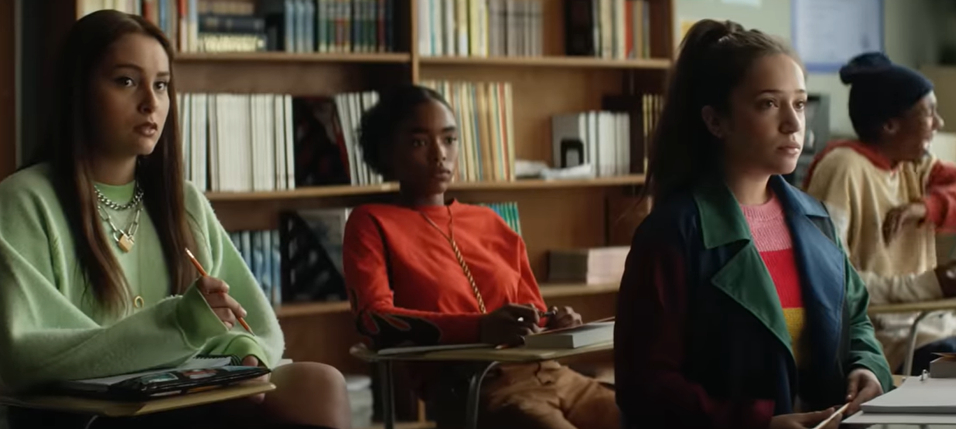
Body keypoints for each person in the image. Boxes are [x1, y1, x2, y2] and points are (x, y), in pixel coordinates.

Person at [0, 10, 350, 429]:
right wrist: (180, 324)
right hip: (94, 411)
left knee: (320, 384)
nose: (151, 102)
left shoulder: (183, 200)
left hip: (188, 393)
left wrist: (245, 352)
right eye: (126, 81)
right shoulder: (23, 201)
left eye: (162, 84)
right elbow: (25, 353)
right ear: (78, 92)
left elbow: (249, 322)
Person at [614, 20, 893, 429]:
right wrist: (756, 424)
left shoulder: (815, 219)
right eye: (768, 104)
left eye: (798, 104)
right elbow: (645, 386)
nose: (794, 124)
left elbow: (857, 323)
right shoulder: (672, 234)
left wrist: (867, 368)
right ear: (715, 121)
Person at [342, 84, 618, 429]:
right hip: (476, 389)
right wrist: (480, 327)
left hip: (554, 375)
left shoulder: (490, 221)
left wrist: (557, 322)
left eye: (449, 139)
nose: (439, 154)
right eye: (419, 142)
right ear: (385, 152)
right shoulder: (371, 222)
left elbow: (534, 315)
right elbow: (373, 320)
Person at [804, 52, 956, 376]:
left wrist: (927, 207)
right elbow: (835, 284)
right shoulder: (842, 169)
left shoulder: (915, 166)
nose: (939, 124)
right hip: (883, 344)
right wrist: (932, 284)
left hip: (932, 326)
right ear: (890, 125)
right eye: (929, 113)